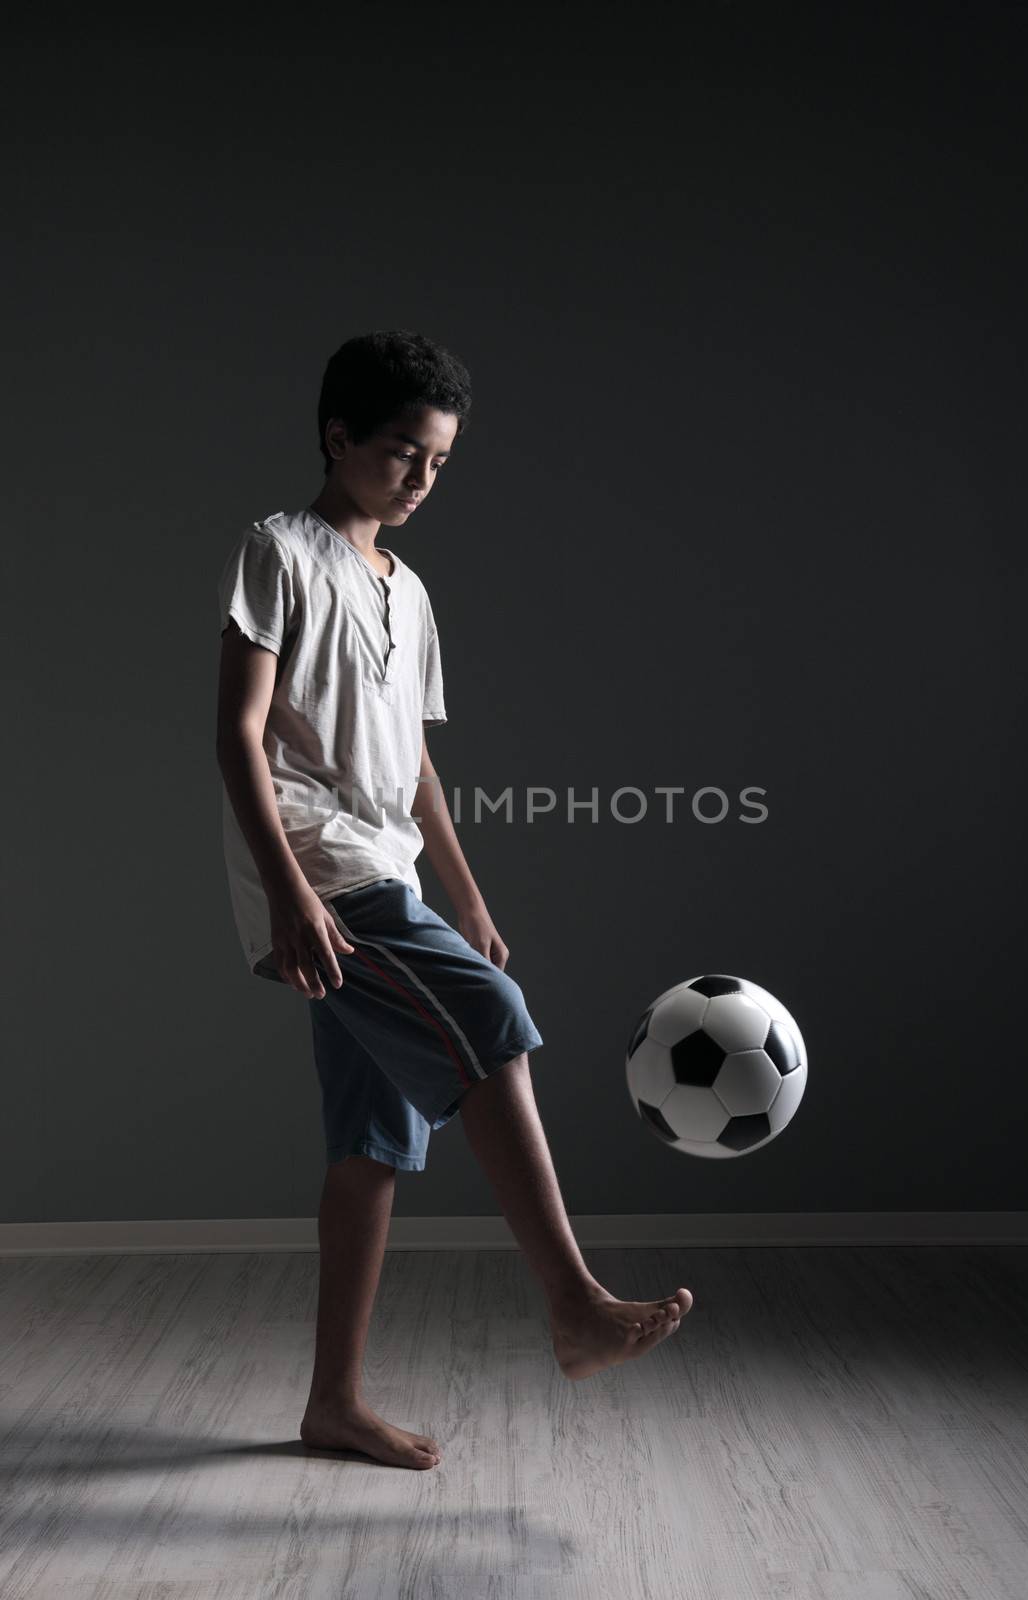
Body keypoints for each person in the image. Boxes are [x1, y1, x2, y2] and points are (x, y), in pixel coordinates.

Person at [215, 330, 693, 1471]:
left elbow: (415, 767)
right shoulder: (278, 551)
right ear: (339, 437)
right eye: (400, 454)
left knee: (370, 1141)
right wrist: (283, 892)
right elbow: (236, 732)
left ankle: (331, 1402)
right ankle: (573, 1303)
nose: (421, 479)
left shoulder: (410, 591)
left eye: (438, 461)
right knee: (490, 1023)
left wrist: (466, 896)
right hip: (324, 875)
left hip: (390, 866)